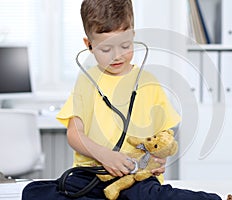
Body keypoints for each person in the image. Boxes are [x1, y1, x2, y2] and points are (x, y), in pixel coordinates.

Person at [22, 0, 221, 199]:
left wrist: (158, 156)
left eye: (125, 45)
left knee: (151, 195)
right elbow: (75, 133)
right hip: (92, 175)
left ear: (133, 36)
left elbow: (164, 134)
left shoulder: (148, 82)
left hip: (135, 177)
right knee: (33, 192)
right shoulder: (86, 81)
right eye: (106, 49)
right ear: (88, 45)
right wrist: (103, 155)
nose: (117, 56)